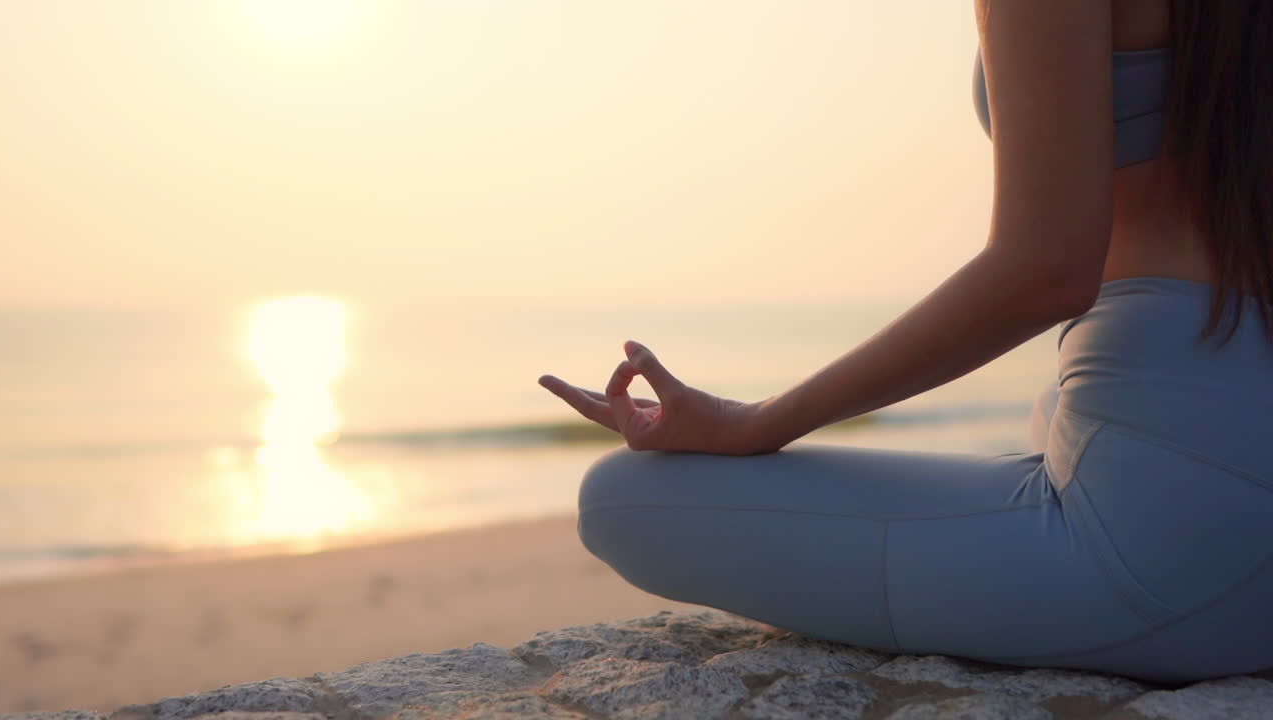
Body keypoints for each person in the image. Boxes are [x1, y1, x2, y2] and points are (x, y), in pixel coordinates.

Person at [537, 0, 1273, 685]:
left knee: (622, 500)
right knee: (1052, 410)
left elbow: (1044, 272)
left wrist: (757, 422)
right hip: (1226, 432)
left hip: (1179, 553)